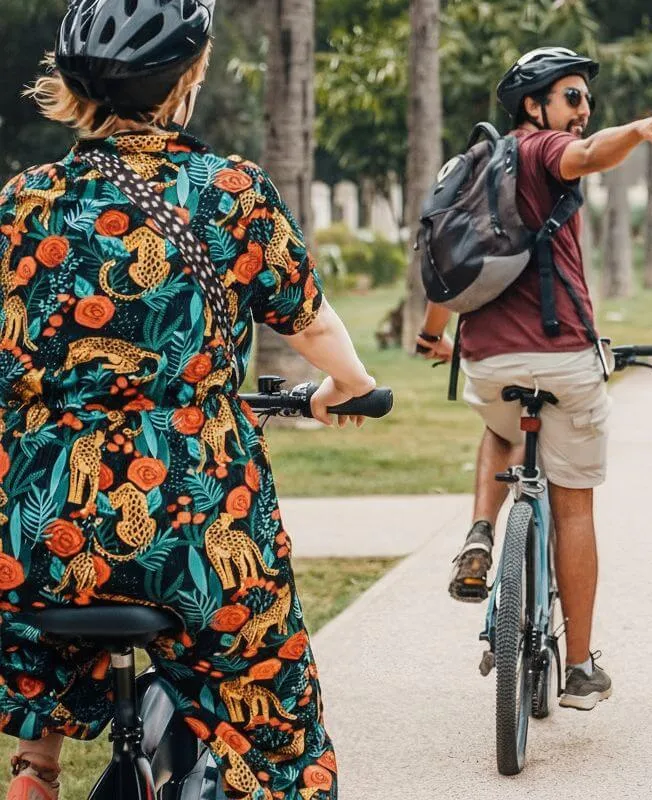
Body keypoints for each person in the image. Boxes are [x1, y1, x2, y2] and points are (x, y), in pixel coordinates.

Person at [0, 2, 378, 797]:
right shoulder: (229, 189)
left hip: (44, 530)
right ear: (187, 81)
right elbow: (310, 322)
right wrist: (349, 387)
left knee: (36, 668)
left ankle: (34, 772)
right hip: (194, 530)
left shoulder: (21, 203)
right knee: (278, 735)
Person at [415, 46, 652, 710]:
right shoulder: (540, 153)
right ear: (535, 106)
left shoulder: (474, 165)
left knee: (498, 425)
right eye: (572, 98)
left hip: (485, 361)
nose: (584, 110)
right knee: (573, 505)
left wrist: (431, 333)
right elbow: (590, 156)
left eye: (587, 100)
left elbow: (446, 252)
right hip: (563, 358)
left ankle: (482, 530)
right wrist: (639, 131)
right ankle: (580, 667)